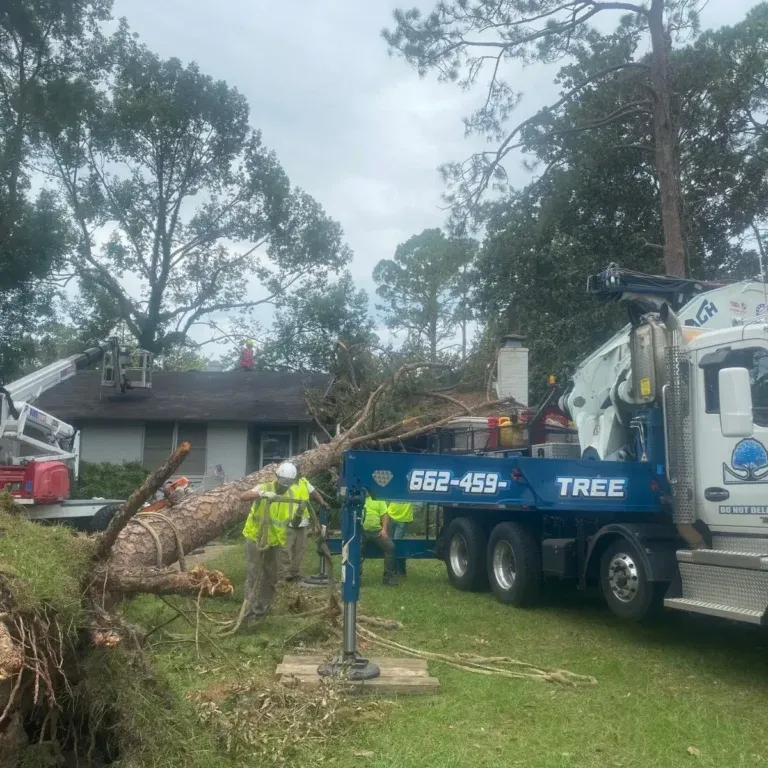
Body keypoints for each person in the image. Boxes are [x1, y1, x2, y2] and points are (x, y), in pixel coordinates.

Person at [238, 461, 308, 620]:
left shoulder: (292, 495)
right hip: (255, 537)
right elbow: (244, 496)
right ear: (277, 477)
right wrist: (262, 494)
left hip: (275, 542)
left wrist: (299, 514)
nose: (284, 487)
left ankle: (262, 609)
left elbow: (294, 523)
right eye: (282, 483)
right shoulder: (265, 487)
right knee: (254, 573)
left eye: (287, 484)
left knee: (271, 576)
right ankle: (248, 610)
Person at [279, 474, 326, 582]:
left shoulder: (304, 482)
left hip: (303, 522)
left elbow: (314, 492)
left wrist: (322, 502)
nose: (300, 473)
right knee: (286, 549)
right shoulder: (286, 482)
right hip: (288, 521)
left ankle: (295, 572)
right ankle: (284, 573)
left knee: (300, 549)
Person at [362, 495, 397, 586]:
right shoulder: (358, 498)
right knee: (355, 550)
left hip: (377, 532)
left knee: (390, 547)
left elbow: (384, 514)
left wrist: (384, 530)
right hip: (360, 532)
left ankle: (388, 578)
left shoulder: (378, 498)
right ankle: (356, 578)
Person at [386, 501, 414, 578]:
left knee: (397, 544)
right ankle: (395, 570)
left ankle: (401, 570)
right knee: (391, 544)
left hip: (403, 518)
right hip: (391, 515)